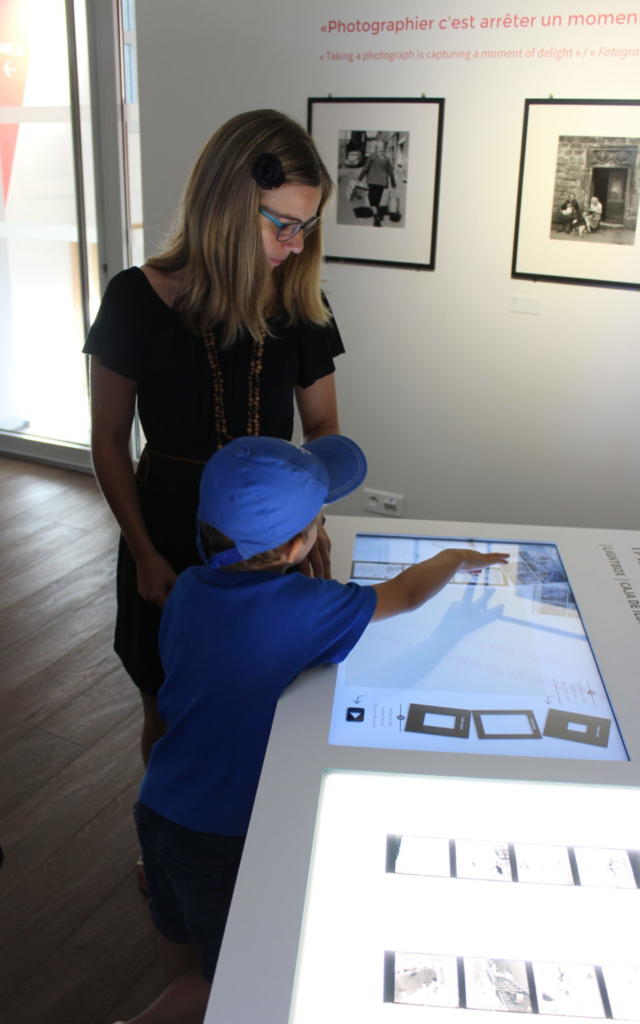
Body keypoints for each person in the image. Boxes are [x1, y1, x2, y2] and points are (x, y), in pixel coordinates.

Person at [113, 433, 510, 1024]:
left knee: (177, 939)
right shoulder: (310, 609)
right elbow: (402, 593)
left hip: (160, 801)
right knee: (228, 978)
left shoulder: (190, 589)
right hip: (221, 832)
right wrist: (452, 558)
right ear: (301, 544)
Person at [83, 110, 342, 785]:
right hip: (165, 529)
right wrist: (143, 553)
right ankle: (165, 837)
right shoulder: (134, 300)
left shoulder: (300, 307)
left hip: (276, 540)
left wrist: (311, 522)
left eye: (306, 227)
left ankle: (247, 849)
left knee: (272, 705)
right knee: (167, 706)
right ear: (227, 203)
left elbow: (323, 431)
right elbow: (110, 439)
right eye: (280, 223)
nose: (294, 245)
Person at [358, 138, 396, 226]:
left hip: (372, 181)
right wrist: (393, 183)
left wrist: (360, 178)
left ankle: (376, 215)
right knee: (377, 198)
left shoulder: (372, 156)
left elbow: (366, 168)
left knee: (371, 197)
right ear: (382, 148)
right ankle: (377, 213)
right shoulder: (386, 158)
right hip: (382, 182)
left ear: (376, 147)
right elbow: (390, 171)